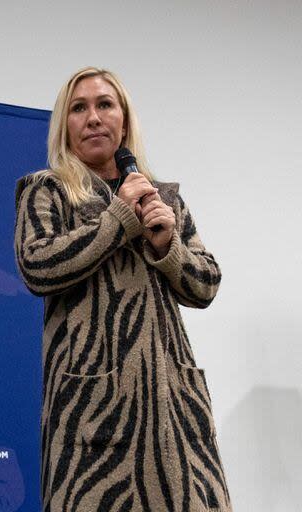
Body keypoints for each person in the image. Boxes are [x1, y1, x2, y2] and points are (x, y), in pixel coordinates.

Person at [14, 67, 231, 511]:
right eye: (79, 108)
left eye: (104, 105)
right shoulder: (48, 190)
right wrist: (118, 220)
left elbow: (206, 285)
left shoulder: (162, 198)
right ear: (65, 126)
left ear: (124, 120)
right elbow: (36, 265)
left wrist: (168, 246)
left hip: (176, 415)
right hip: (93, 416)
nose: (93, 117)